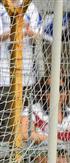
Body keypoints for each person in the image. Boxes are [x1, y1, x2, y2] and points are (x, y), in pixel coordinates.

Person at [0, 1, 41, 142]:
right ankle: (7, 155)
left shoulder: (31, 6)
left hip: (28, 75)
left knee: (26, 118)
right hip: (4, 74)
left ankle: (24, 156)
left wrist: (29, 31)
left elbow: (39, 33)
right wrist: (16, 28)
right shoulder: (2, 7)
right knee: (7, 119)